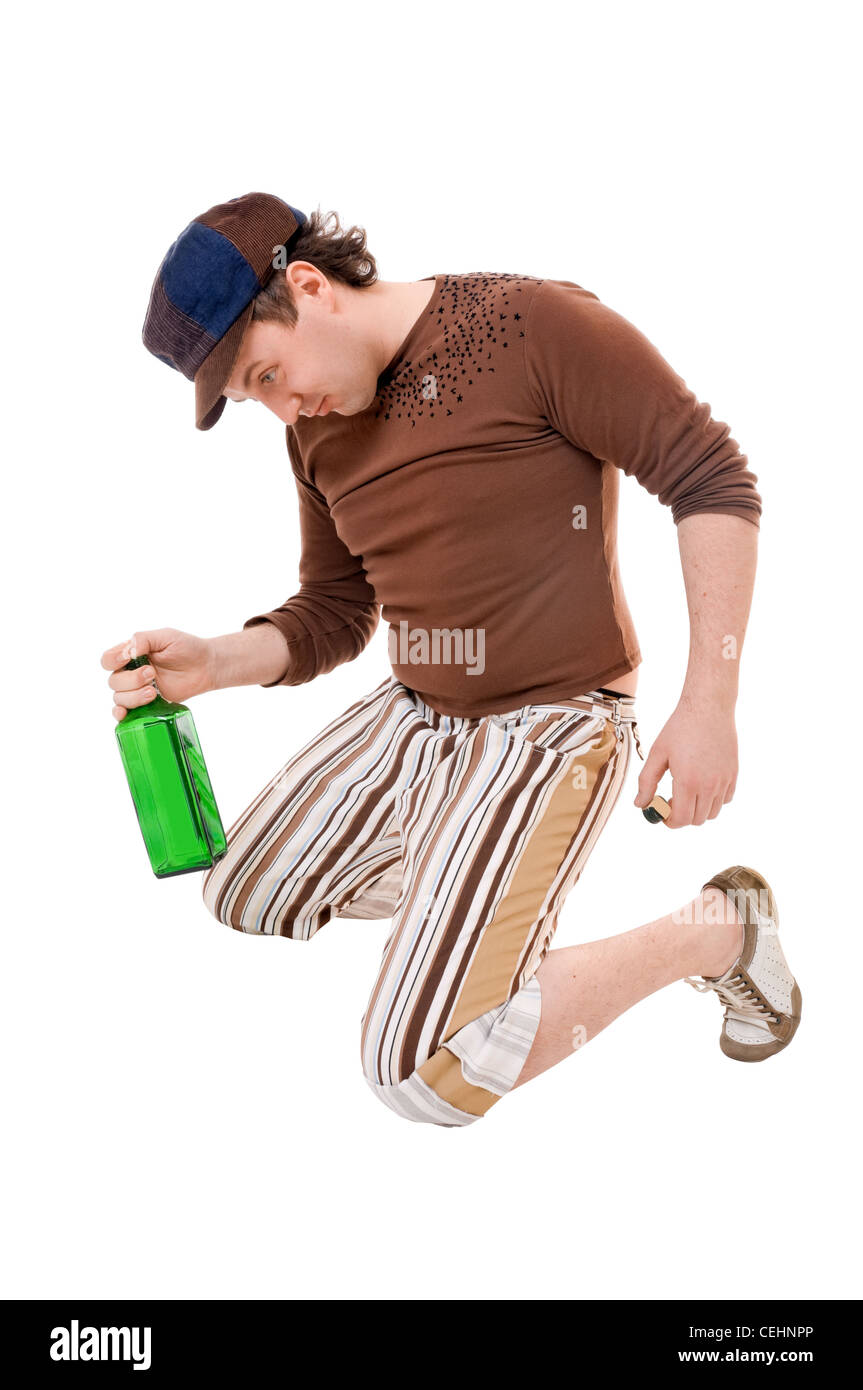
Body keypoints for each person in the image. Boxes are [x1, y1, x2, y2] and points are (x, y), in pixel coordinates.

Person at [101, 192, 802, 1127]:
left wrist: (709, 703)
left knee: (427, 1074)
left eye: (269, 375)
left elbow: (710, 476)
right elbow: (337, 610)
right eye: (252, 397)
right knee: (242, 891)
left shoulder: (529, 325)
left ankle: (718, 934)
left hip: (555, 718)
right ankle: (467, 871)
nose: (282, 410)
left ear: (308, 287)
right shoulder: (316, 427)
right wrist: (216, 661)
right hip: (417, 714)